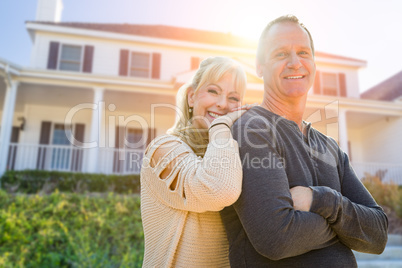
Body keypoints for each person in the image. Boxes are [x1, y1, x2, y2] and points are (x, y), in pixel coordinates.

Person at [221, 15, 388, 267]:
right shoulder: (253, 130)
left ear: (314, 63)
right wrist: (347, 231)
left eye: (303, 52)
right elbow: (277, 237)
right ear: (259, 67)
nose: (295, 63)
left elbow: (378, 234)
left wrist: (320, 200)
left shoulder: (329, 148)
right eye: (280, 54)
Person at [140, 56, 249, 267]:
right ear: (192, 97)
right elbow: (219, 190)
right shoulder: (162, 149)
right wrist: (221, 127)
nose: (223, 104)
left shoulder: (234, 155)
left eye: (234, 98)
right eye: (213, 91)